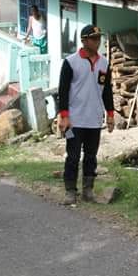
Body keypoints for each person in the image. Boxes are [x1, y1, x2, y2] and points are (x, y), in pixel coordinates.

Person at [57, 25, 114, 206]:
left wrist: (110, 114)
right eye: (93, 38)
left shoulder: (104, 63)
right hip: (74, 120)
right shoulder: (70, 62)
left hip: (94, 119)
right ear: (84, 40)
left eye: (99, 38)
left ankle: (88, 190)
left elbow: (107, 90)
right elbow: (63, 91)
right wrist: (64, 116)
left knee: (91, 156)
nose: (97, 42)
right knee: (72, 156)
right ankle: (70, 191)